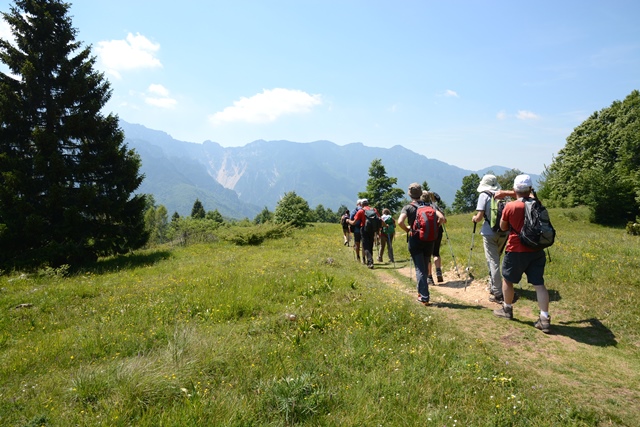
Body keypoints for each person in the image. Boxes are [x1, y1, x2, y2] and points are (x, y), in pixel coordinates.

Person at [493, 174, 551, 333]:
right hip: (536, 248)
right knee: (539, 284)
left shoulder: (510, 207)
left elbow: (503, 227)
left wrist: (506, 194)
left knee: (508, 280)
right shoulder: (537, 204)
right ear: (530, 189)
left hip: (516, 249)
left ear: (514, 189)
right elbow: (529, 195)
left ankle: (507, 309)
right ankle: (544, 318)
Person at [397, 183, 445, 305]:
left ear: (410, 194)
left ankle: (424, 297)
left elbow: (400, 222)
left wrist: (408, 230)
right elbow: (442, 219)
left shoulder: (408, 207)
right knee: (424, 265)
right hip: (429, 240)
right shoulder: (431, 206)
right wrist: (436, 226)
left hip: (415, 240)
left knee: (420, 269)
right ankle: (423, 294)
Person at [472, 174, 509, 303]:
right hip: (504, 232)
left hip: (489, 233)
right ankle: (495, 285)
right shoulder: (504, 195)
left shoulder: (484, 195)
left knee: (493, 261)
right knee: (497, 259)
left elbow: (479, 217)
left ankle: (498, 293)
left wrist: (474, 219)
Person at [350, 199, 381, 268]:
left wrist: (348, 221)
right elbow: (379, 218)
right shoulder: (374, 210)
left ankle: (370, 262)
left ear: (361, 204)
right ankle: (370, 260)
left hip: (364, 229)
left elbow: (354, 222)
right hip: (372, 229)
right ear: (368, 203)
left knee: (366, 246)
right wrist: (383, 226)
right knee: (370, 245)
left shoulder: (361, 211)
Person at [427, 191, 447, 283]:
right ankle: (438, 272)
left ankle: (430, 277)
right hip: (438, 232)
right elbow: (444, 220)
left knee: (427, 255)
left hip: (426, 233)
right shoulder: (436, 207)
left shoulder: (422, 207)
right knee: (436, 252)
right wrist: (438, 225)